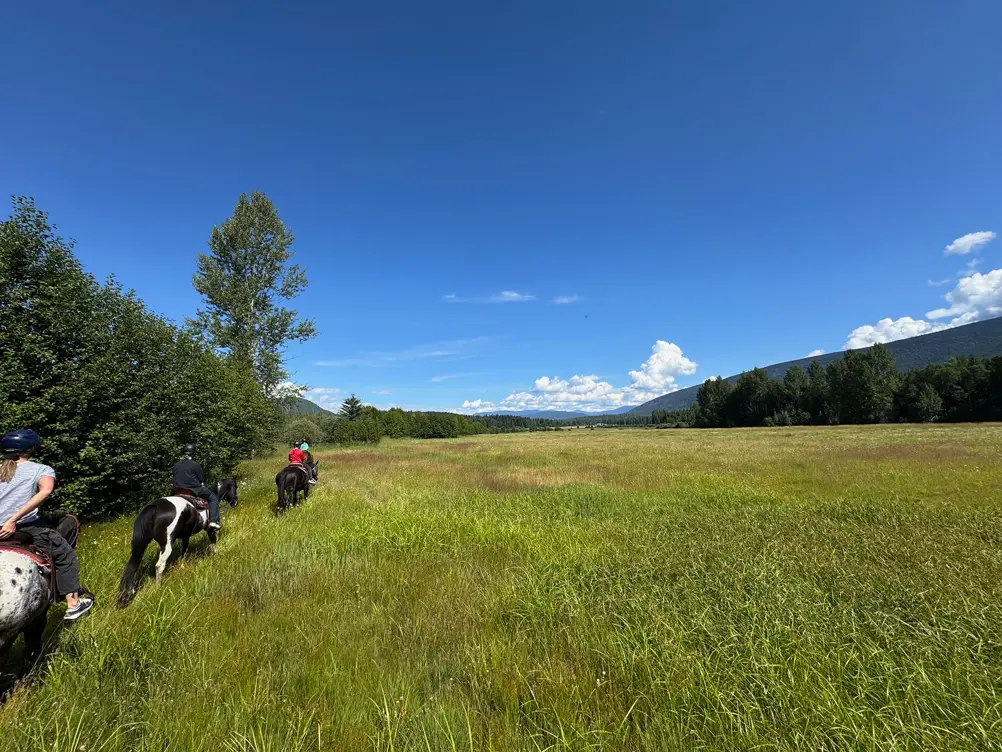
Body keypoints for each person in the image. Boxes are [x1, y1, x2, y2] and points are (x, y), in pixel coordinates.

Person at [0, 429, 94, 621]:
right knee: (65, 554)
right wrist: (12, 520)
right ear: (31, 449)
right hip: (24, 526)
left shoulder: (1, 470)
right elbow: (45, 491)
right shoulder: (41, 469)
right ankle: (73, 604)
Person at [172, 444, 220, 530]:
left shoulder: (176, 465)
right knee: (213, 498)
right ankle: (213, 521)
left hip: (177, 491)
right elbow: (201, 478)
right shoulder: (195, 465)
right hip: (193, 490)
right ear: (193, 454)